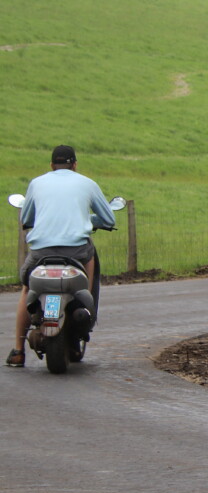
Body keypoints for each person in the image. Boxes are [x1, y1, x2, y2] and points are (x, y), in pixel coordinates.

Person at [7, 145, 116, 368]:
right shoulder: (87, 183)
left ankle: (18, 351)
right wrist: (86, 220)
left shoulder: (37, 183)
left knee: (28, 289)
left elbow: (26, 218)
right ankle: (85, 301)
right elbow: (108, 219)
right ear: (74, 165)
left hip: (41, 254)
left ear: (51, 165)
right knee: (90, 257)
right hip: (76, 252)